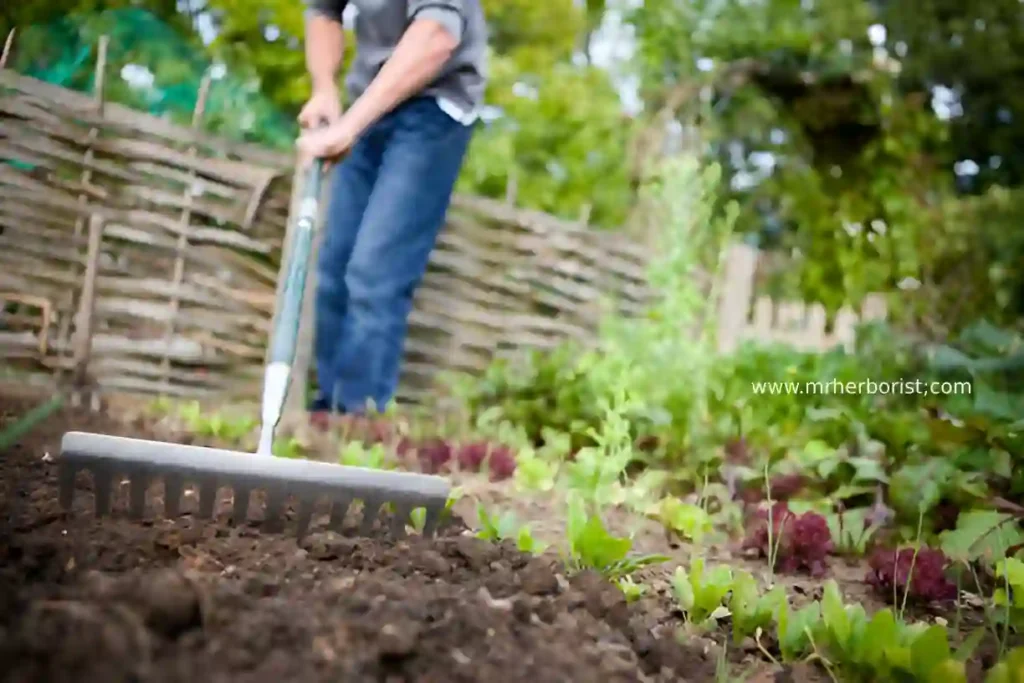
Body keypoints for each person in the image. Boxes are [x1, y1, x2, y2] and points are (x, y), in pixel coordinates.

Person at [295, 0, 487, 422]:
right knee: (333, 268)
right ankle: (327, 416)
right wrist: (324, 87)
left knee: (375, 272)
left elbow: (437, 34)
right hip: (370, 99)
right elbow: (323, 10)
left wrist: (349, 126)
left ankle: (357, 427)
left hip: (436, 102)